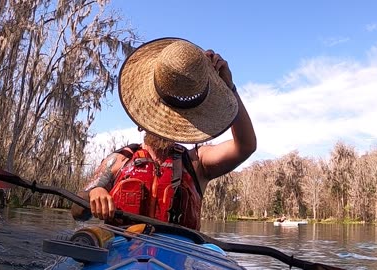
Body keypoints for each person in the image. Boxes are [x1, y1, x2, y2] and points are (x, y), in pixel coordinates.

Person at [71, 38, 256, 230]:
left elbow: (245, 147)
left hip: (178, 255)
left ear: (182, 127)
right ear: (141, 123)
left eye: (171, 122)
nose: (163, 128)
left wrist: (230, 89)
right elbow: (77, 211)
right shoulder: (119, 160)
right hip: (123, 251)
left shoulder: (197, 163)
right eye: (158, 120)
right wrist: (94, 192)